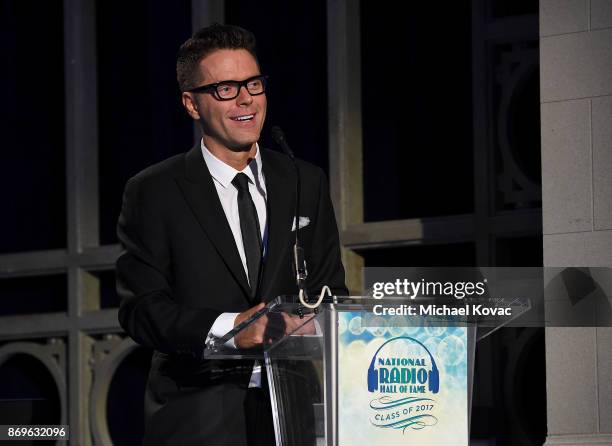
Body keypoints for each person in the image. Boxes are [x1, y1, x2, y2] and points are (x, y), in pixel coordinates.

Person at [116, 23, 347, 446]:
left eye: (253, 84)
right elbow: (142, 311)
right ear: (191, 104)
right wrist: (231, 327)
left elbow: (330, 291)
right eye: (225, 88)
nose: (246, 99)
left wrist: (318, 323)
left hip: (292, 417)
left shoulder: (303, 181)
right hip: (197, 417)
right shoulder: (154, 190)